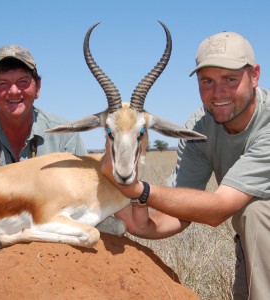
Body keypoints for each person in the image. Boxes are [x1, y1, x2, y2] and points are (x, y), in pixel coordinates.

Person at [101, 31, 270, 300]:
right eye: (207, 81)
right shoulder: (201, 125)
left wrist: (139, 191)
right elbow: (179, 214)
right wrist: (142, 223)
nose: (218, 92)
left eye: (230, 79)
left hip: (262, 234)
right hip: (255, 248)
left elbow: (218, 210)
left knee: (257, 212)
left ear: (255, 75)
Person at [0, 45, 87, 173]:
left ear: (37, 88)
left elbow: (85, 188)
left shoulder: (64, 136)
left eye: (23, 81)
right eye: (3, 83)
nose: (14, 91)